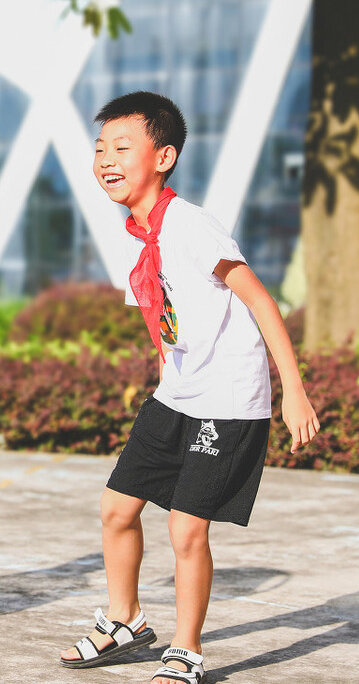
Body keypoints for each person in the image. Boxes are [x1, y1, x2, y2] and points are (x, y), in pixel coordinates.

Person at [58, 91, 320, 684]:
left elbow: (259, 299)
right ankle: (125, 620)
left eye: (123, 147)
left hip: (227, 401)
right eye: (100, 148)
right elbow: (164, 322)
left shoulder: (190, 225)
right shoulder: (138, 233)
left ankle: (187, 650)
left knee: (185, 528)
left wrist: (294, 390)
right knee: (116, 510)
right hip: (176, 395)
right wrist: (163, 386)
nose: (106, 159)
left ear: (164, 156)